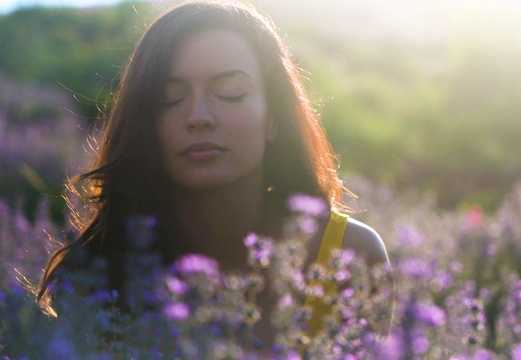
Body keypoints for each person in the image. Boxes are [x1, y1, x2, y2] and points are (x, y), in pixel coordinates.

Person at [37, 0, 391, 349]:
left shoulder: (347, 256)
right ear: (146, 123)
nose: (199, 116)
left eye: (230, 93)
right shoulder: (100, 270)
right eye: (170, 97)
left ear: (273, 117)